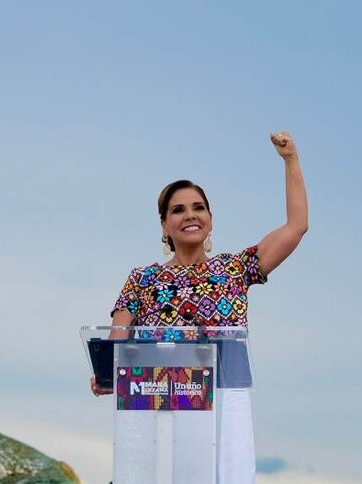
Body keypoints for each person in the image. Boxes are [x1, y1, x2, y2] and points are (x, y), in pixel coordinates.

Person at [91, 131, 307, 395]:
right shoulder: (142, 279)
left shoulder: (235, 269)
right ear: (164, 225)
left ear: (210, 219)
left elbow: (296, 227)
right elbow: (116, 356)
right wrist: (106, 377)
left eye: (198, 207)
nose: (190, 215)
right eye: (178, 210)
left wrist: (290, 159)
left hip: (223, 411)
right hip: (156, 412)